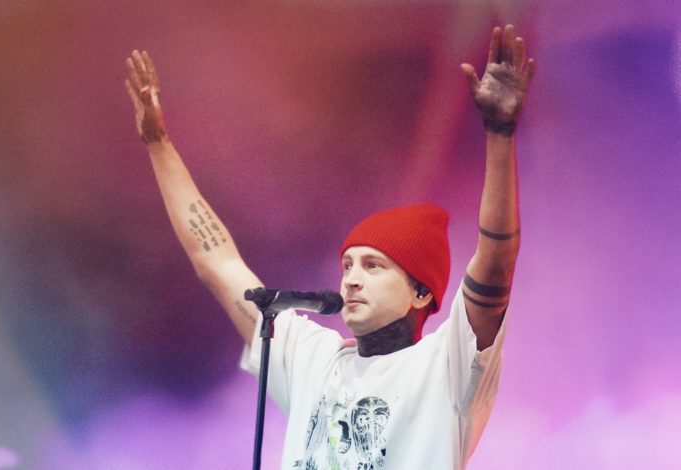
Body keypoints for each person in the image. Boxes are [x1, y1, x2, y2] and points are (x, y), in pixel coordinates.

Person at [126, 24, 534, 470]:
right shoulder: (312, 358)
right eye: (347, 266)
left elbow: (496, 263)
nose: (352, 279)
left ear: (421, 292)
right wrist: (158, 144)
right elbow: (217, 260)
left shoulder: (448, 367)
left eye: (374, 266)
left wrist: (499, 134)